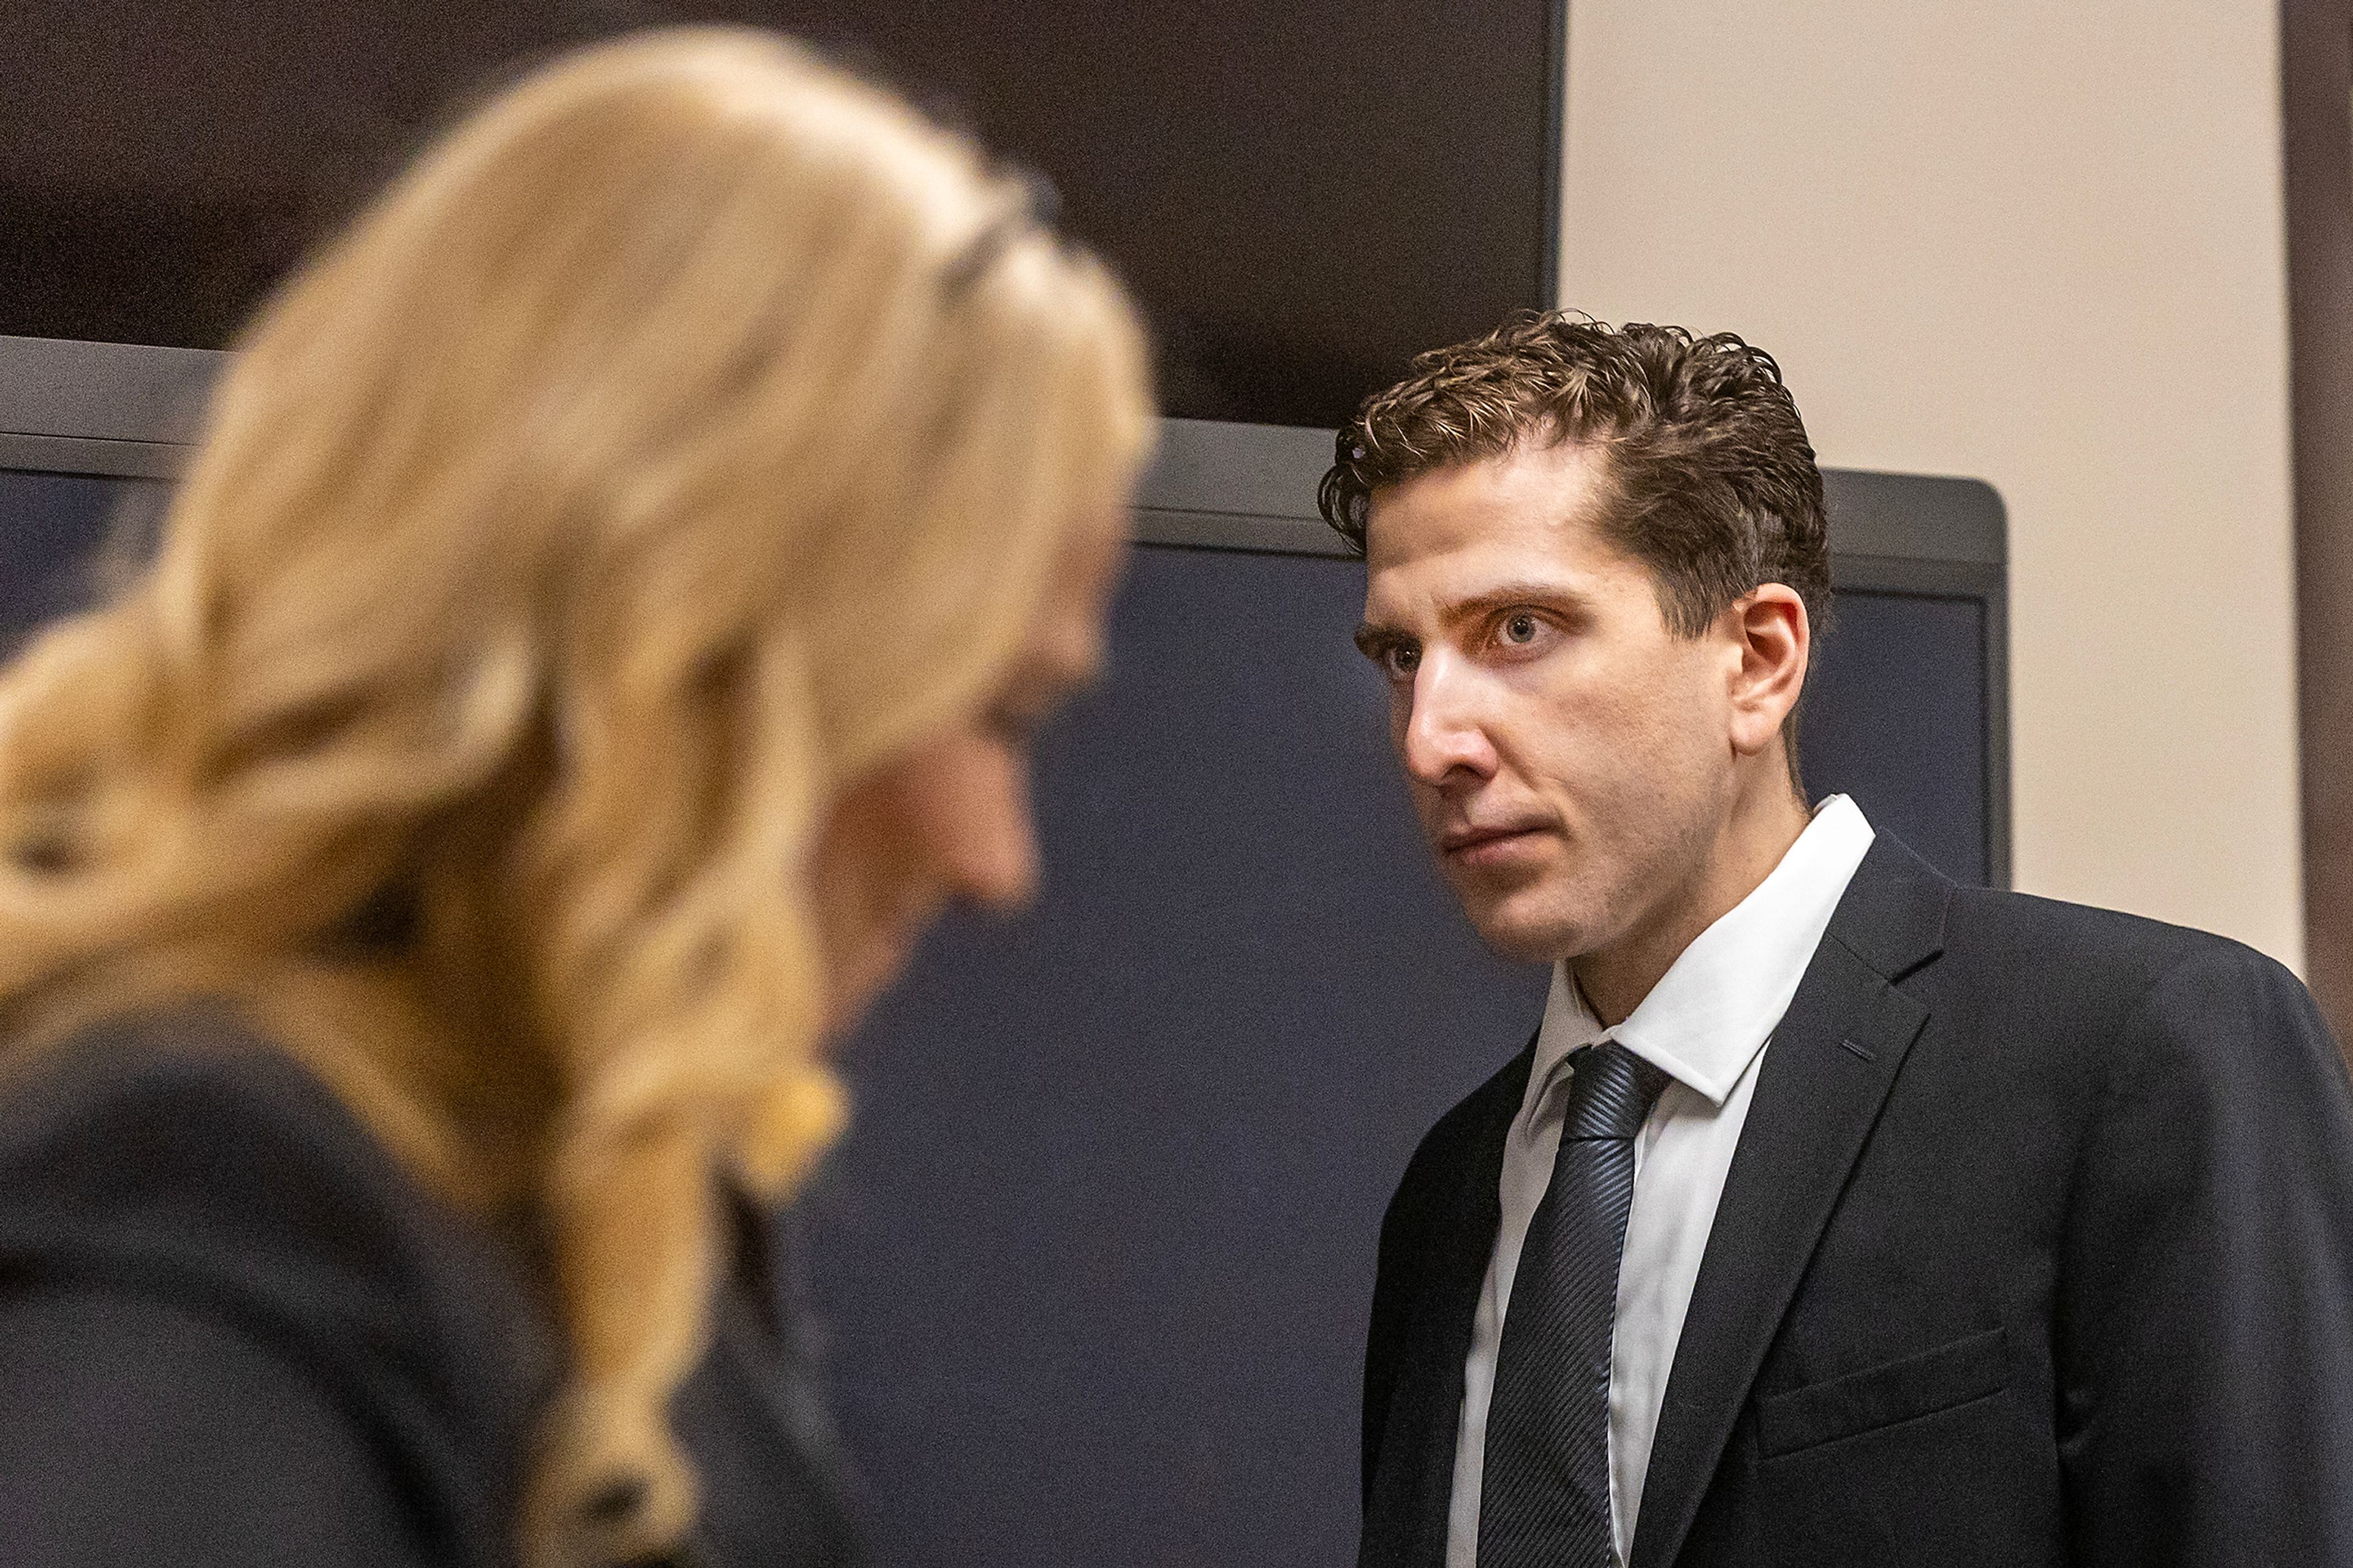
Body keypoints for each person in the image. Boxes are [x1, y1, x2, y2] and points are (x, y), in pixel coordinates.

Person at [0, 28, 1151, 1568]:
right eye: (998, 710)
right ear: (682, 650)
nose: (997, 858)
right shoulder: (222, 1196)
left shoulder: (575, 1185)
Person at [1325, 312, 2353, 1568]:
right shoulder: (1448, 1197)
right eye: (1400, 654)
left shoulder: (2147, 1057)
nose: (1432, 737)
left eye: (1520, 631)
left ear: (1757, 659)